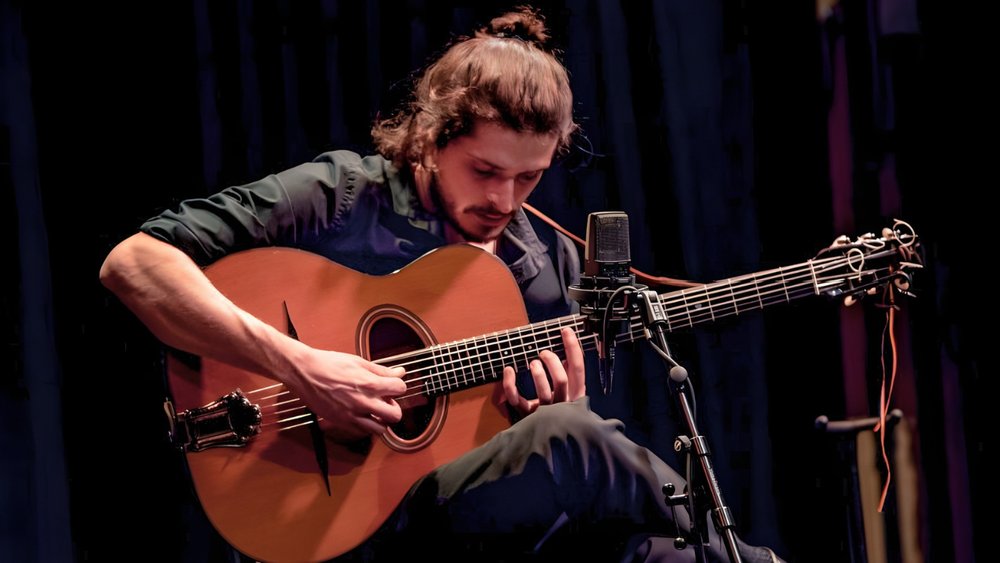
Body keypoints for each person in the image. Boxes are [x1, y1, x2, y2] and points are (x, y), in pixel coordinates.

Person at [100, 7, 783, 563]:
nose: (505, 199)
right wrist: (301, 365)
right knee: (575, 439)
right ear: (430, 137)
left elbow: (511, 447)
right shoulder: (341, 197)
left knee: (656, 550)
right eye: (485, 171)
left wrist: (534, 417)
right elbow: (133, 264)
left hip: (475, 522)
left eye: (529, 177)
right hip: (340, 521)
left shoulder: (543, 263)